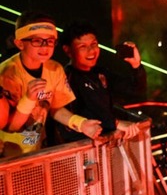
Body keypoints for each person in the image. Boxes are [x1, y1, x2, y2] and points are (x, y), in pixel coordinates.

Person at [0, 11, 102, 157]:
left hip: (36, 151)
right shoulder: (6, 74)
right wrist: (28, 99)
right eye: (36, 41)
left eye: (50, 40)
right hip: (7, 157)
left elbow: (55, 107)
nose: (45, 47)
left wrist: (81, 124)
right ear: (20, 43)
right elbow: (10, 126)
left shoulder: (55, 69)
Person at [55, 22, 147, 143]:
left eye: (94, 44)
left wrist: (136, 65)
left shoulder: (100, 73)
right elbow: (83, 116)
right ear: (68, 50)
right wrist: (116, 123)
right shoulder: (66, 78)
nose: (91, 51)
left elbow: (136, 90)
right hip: (83, 152)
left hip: (107, 147)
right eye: (83, 46)